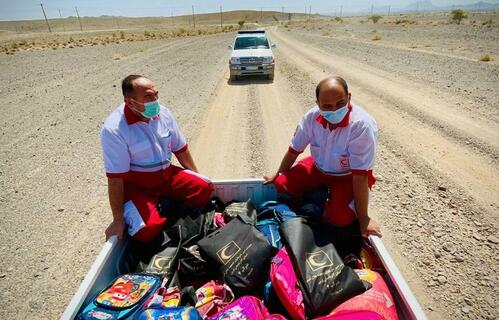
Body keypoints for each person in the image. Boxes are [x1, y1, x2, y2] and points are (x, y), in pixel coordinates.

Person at [264, 76, 382, 255]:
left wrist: (364, 218)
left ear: (349, 97)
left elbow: (360, 176)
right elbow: (294, 150)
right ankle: (313, 207)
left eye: (340, 103)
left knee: (340, 217)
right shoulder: (311, 118)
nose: (334, 109)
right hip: (318, 168)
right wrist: (278, 173)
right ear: (318, 103)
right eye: (327, 106)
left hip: (347, 177)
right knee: (281, 183)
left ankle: (324, 210)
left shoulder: (362, 126)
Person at [101, 75, 214, 242]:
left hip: (167, 176)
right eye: (148, 96)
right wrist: (117, 220)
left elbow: (181, 150)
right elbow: (116, 179)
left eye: (156, 94)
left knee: (204, 187)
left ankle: (171, 212)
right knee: (147, 230)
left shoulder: (163, 113)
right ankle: (145, 212)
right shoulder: (114, 129)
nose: (155, 100)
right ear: (130, 101)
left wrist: (196, 178)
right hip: (137, 186)